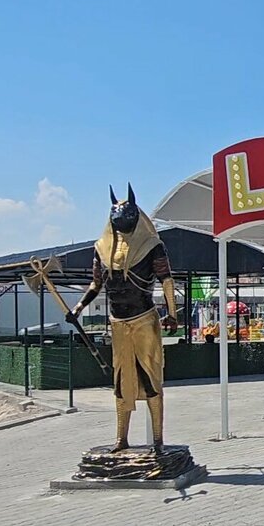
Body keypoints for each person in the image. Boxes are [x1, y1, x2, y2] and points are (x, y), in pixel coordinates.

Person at [70, 185, 178, 455]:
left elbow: (166, 280)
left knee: (151, 378)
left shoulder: (153, 245)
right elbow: (96, 284)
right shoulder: (101, 248)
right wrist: (79, 307)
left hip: (144, 320)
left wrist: (173, 313)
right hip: (118, 322)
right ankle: (121, 439)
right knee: (121, 382)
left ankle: (157, 440)